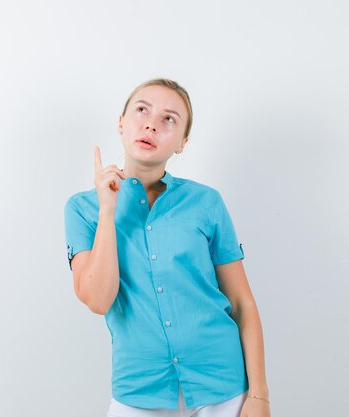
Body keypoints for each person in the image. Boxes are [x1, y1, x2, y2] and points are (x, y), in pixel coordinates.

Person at [64, 78, 271, 417]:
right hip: (139, 391)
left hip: (223, 388)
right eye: (142, 110)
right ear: (121, 122)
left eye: (169, 119)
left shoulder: (207, 202)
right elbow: (99, 299)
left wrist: (259, 395)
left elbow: (241, 303)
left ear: (182, 143)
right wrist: (107, 210)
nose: (151, 124)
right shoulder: (82, 209)